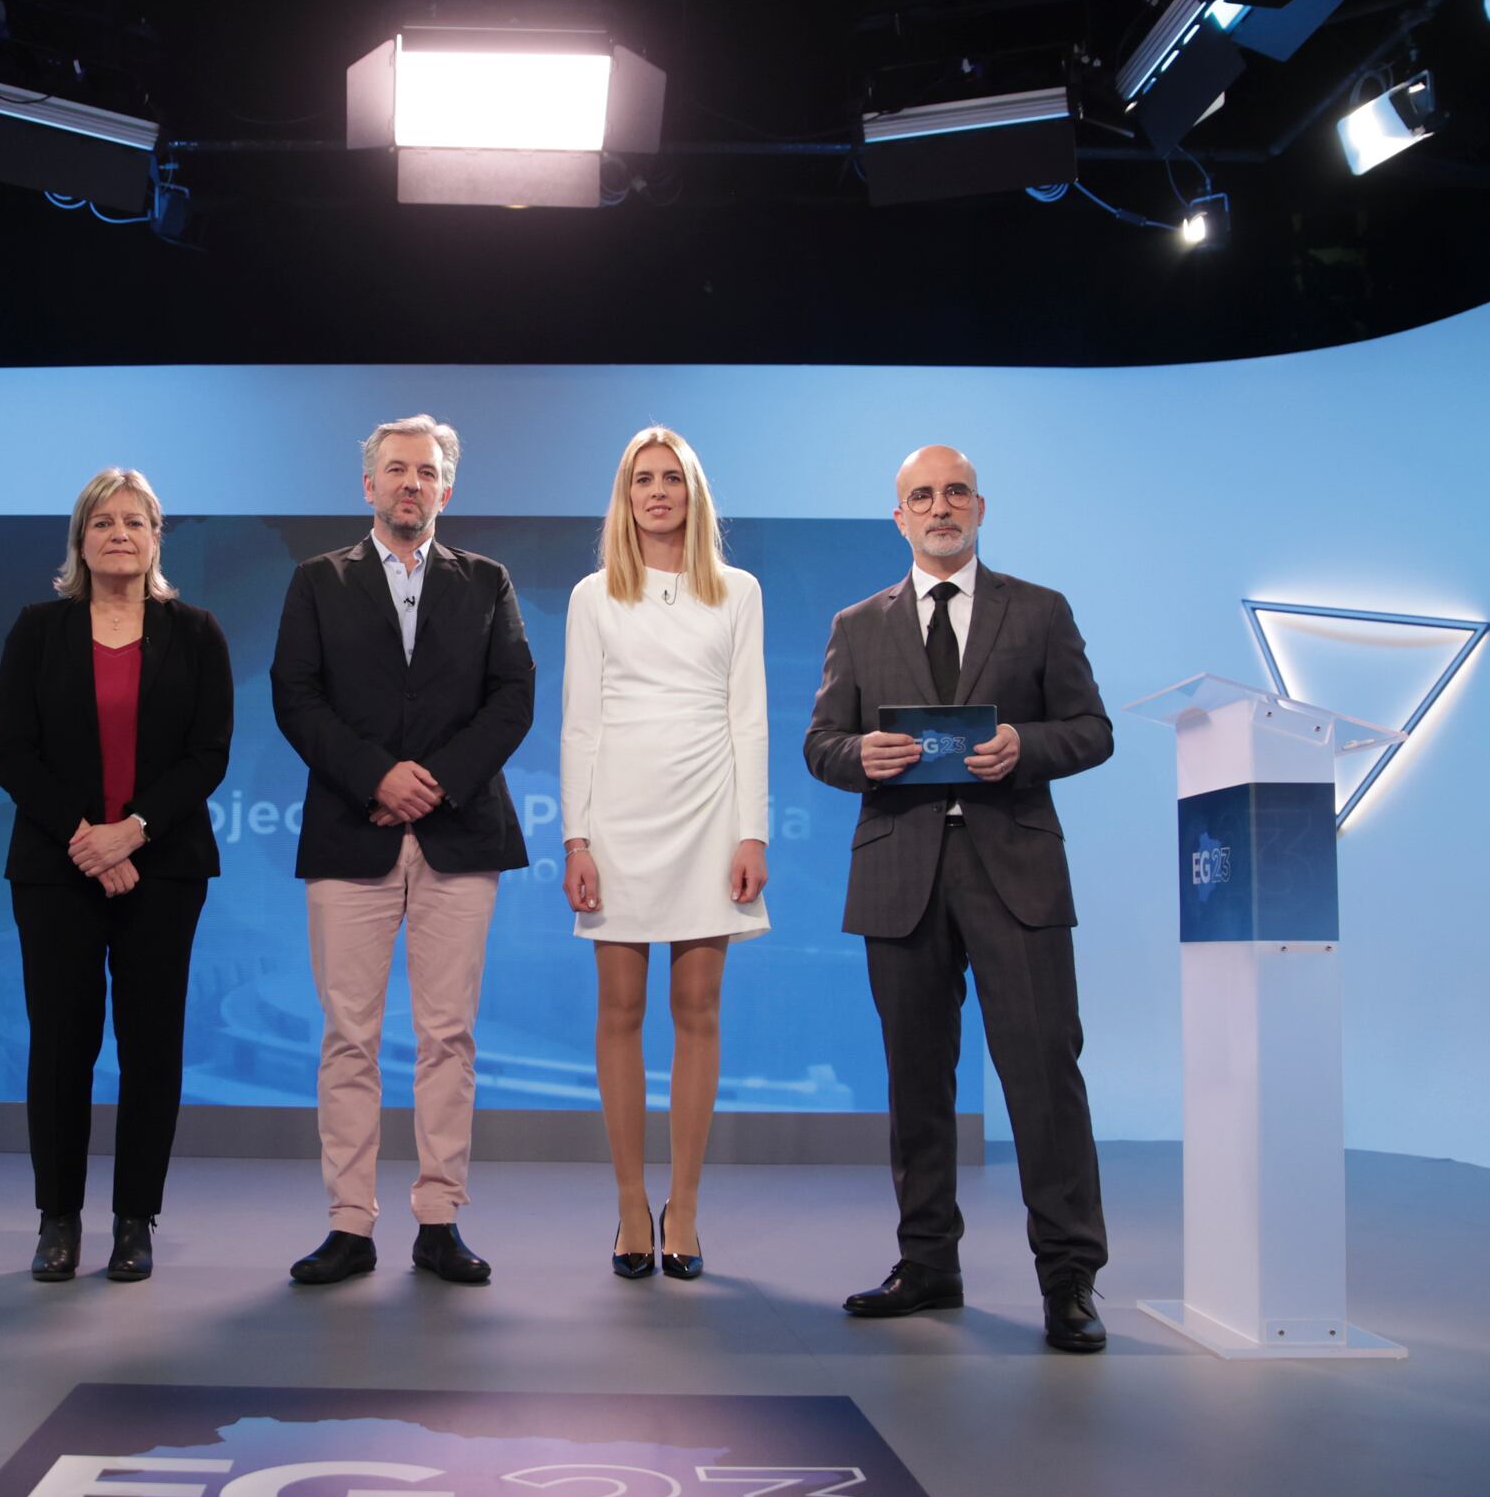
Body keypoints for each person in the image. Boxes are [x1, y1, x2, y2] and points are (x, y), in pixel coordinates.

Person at [801, 444, 1115, 1352]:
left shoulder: (1040, 610)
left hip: (1015, 872)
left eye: (954, 492)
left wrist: (1027, 743)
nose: (939, 507)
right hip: (901, 878)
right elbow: (821, 742)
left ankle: (1069, 1281)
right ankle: (928, 1262)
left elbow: (1091, 729)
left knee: (1045, 1079)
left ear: (980, 506)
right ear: (898, 517)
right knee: (917, 1082)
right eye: (920, 496)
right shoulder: (858, 625)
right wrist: (861, 755)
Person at [270, 413, 535, 1286]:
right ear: (369, 485)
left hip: (461, 835)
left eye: (426, 471)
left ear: (446, 489)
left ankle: (438, 1217)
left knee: (448, 1035)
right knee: (349, 1037)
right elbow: (296, 698)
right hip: (352, 832)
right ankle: (349, 1223)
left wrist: (438, 781)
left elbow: (513, 699)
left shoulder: (488, 582)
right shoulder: (317, 581)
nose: (410, 483)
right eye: (395, 470)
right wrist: (379, 776)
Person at [0, 468, 233, 1284]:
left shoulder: (196, 633)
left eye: (135, 520)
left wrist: (132, 833)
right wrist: (85, 838)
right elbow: (11, 751)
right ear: (80, 539)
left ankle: (136, 1221)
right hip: (55, 869)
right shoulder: (36, 630)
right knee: (61, 1043)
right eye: (103, 521)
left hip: (164, 867)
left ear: (157, 538)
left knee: (151, 1044)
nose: (119, 533)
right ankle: (58, 1220)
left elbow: (209, 755)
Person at [559, 426, 769, 1282]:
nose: (657, 492)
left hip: (711, 814)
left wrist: (751, 829)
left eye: (671, 478)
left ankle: (683, 1205)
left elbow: (747, 715)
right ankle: (626, 1205)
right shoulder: (592, 595)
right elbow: (580, 721)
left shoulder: (739, 592)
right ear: (625, 494)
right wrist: (576, 835)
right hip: (618, 820)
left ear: (693, 492)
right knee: (619, 1010)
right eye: (642, 479)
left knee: (698, 1009)